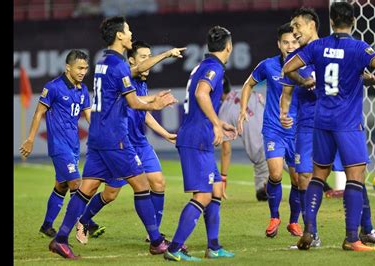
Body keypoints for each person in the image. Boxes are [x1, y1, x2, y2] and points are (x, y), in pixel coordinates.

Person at [281, 3, 375, 251]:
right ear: (353, 21)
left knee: (318, 176)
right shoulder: (359, 47)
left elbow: (287, 68)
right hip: (347, 123)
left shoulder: (317, 46)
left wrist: (306, 81)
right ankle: (352, 238)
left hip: (321, 121)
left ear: (330, 20)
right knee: (355, 177)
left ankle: (310, 231)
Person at [48, 16, 177, 259]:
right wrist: (156, 104)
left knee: (88, 188)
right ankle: (156, 241)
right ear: (119, 35)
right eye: (128, 31)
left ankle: (61, 238)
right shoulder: (117, 66)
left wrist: (165, 56)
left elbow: (131, 76)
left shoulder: (103, 61)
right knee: (142, 186)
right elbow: (133, 102)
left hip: (97, 135)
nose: (130, 34)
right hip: (114, 138)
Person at [74, 41, 185, 245]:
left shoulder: (142, 83)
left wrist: (165, 133)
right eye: (144, 57)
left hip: (140, 144)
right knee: (110, 194)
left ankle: (155, 235)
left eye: (149, 55)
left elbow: (143, 112)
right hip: (121, 145)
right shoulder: (127, 74)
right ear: (132, 61)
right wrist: (167, 54)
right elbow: (140, 77)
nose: (148, 61)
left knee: (158, 182)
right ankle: (84, 220)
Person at [163, 26, 237, 262]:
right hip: (196, 138)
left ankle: (213, 246)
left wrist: (218, 122)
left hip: (199, 135)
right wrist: (216, 123)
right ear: (229, 46)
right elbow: (201, 95)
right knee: (203, 196)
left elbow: (200, 103)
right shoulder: (214, 68)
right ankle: (174, 248)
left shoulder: (203, 66)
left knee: (215, 190)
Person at [237, 22, 303, 238]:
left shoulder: (308, 66)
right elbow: (248, 84)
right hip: (274, 128)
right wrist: (243, 110)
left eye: (294, 41)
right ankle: (274, 216)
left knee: (297, 180)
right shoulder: (268, 65)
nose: (290, 46)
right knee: (274, 174)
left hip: (298, 131)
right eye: (286, 42)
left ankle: (294, 222)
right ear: (279, 44)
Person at [19, 50, 92, 238]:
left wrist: (102, 134)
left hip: (74, 145)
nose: (83, 71)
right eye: (79, 68)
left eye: (85, 68)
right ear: (68, 67)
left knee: (62, 186)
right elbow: (38, 113)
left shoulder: (83, 90)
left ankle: (47, 225)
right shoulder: (54, 87)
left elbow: (89, 116)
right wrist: (30, 139)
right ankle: (83, 223)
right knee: (76, 182)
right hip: (59, 146)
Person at [218, 76, 269, 201]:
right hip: (275, 136)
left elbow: (226, 150)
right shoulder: (245, 90)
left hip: (259, 152)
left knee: (263, 194)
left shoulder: (224, 109)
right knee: (296, 168)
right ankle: (320, 184)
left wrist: (223, 177)